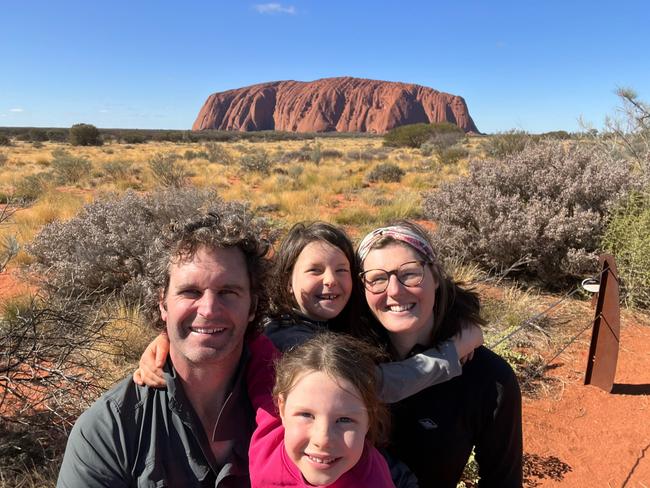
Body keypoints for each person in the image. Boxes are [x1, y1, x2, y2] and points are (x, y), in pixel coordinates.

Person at [135, 222, 483, 404]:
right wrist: (449, 354)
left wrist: (460, 317)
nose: (330, 281)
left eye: (342, 270)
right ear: (287, 283)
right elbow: (374, 386)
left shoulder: (334, 321)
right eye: (314, 270)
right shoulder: (288, 338)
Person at [57, 206, 272, 487]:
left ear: (253, 306)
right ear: (163, 303)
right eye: (190, 292)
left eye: (228, 292)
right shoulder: (111, 429)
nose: (208, 309)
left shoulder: (294, 404)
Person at [357, 221, 523, 488]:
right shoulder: (347, 362)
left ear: (435, 276)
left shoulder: (488, 378)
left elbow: (502, 481)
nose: (395, 290)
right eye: (376, 278)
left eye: (410, 273)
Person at [246, 332, 399, 487]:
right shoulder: (269, 425)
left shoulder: (374, 481)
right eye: (306, 415)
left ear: (369, 420)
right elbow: (249, 336)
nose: (323, 440)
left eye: (344, 420)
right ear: (281, 409)